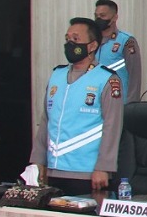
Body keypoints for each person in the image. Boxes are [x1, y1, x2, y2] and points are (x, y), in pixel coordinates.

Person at [30, 18, 124, 195]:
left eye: (75, 39)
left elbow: (112, 126)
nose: (70, 44)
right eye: (67, 39)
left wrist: (104, 167)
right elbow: (46, 121)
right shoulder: (57, 75)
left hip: (88, 173)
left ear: (92, 46)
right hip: (54, 170)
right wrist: (38, 160)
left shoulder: (107, 79)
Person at [93, 0, 142, 102]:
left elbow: (134, 76)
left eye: (103, 15)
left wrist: (131, 104)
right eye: (96, 16)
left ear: (115, 17)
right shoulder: (91, 41)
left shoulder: (126, 41)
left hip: (118, 101)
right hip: (95, 101)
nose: (98, 19)